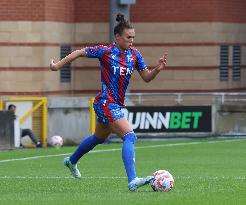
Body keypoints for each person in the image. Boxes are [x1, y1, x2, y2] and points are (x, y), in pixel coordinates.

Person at [50, 13, 167, 191]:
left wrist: (157, 69)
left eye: (133, 38)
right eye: (128, 37)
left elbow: (146, 77)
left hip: (114, 104)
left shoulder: (135, 55)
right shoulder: (106, 51)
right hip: (106, 102)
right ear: (117, 37)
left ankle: (71, 161)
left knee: (99, 137)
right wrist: (58, 65)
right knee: (130, 136)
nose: (131, 41)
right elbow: (80, 52)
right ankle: (132, 180)